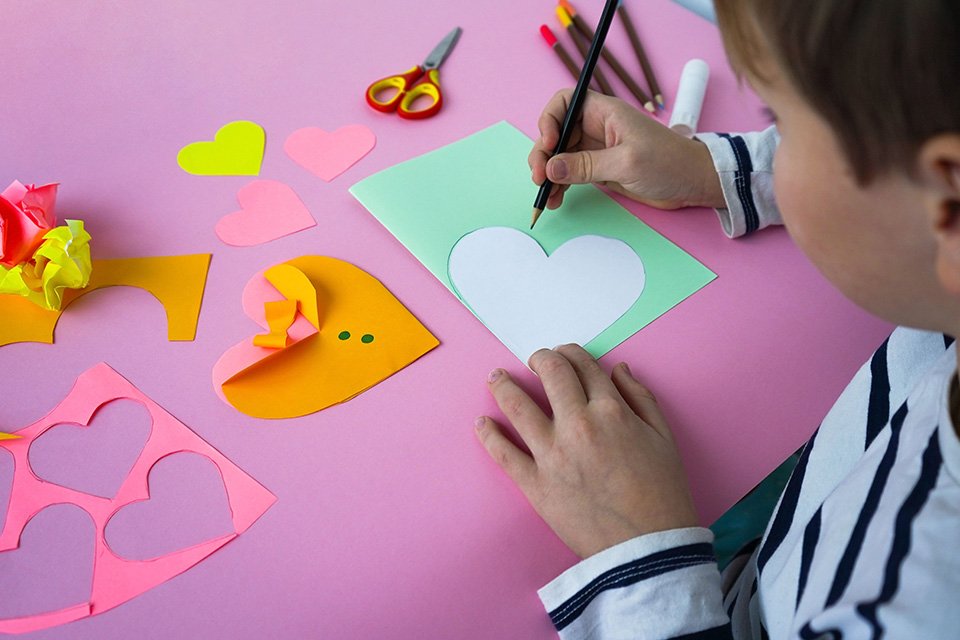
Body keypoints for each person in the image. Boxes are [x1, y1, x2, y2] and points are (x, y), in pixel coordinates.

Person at [473, 0, 960, 637]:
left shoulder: (906, 609)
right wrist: (710, 169)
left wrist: (643, 552)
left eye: (779, 120)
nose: (775, 142)